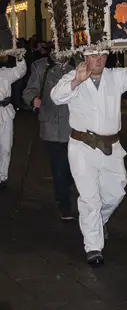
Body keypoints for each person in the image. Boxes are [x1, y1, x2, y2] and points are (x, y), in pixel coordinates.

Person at [51, 47, 127, 266]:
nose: (99, 59)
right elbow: (56, 97)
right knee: (90, 198)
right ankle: (93, 247)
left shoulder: (115, 77)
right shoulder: (73, 76)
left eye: (103, 55)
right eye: (94, 55)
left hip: (111, 147)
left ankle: (98, 221)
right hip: (82, 148)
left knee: (116, 192)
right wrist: (76, 81)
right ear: (85, 56)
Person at [23, 53, 75, 220]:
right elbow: (29, 90)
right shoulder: (41, 67)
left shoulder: (78, 64)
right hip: (52, 127)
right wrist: (33, 99)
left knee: (72, 169)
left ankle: (64, 187)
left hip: (74, 125)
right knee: (59, 168)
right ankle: (63, 203)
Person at [0, 53, 27, 189]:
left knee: (6, 147)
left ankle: (3, 176)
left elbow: (20, 71)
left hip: (5, 113)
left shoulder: (5, 73)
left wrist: (20, 58)